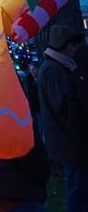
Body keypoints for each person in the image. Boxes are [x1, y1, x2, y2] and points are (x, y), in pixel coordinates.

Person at [37, 24, 88, 212]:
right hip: (72, 143)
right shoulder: (54, 70)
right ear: (64, 45)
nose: (75, 49)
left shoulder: (59, 68)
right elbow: (67, 107)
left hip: (72, 142)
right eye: (73, 45)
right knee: (78, 190)